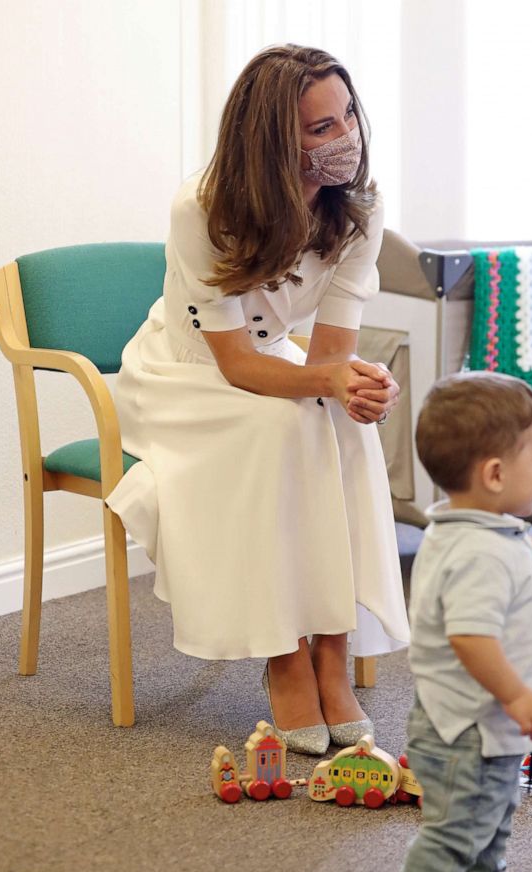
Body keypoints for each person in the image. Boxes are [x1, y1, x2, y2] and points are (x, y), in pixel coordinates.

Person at [105, 44, 410, 755]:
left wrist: (355, 386)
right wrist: (326, 382)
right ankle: (283, 655)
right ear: (271, 143)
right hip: (184, 375)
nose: (347, 139)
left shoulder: (359, 207)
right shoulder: (204, 207)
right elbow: (235, 362)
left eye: (348, 116)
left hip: (274, 364)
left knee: (342, 426)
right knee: (284, 427)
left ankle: (331, 650)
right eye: (320, 129)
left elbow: (331, 356)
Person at [379, 371, 532, 872]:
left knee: (496, 803)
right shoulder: (481, 552)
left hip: (468, 719)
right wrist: (516, 695)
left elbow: (476, 563)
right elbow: (472, 637)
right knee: (459, 822)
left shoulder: (467, 531)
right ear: (496, 475)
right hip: (470, 724)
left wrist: (514, 541)